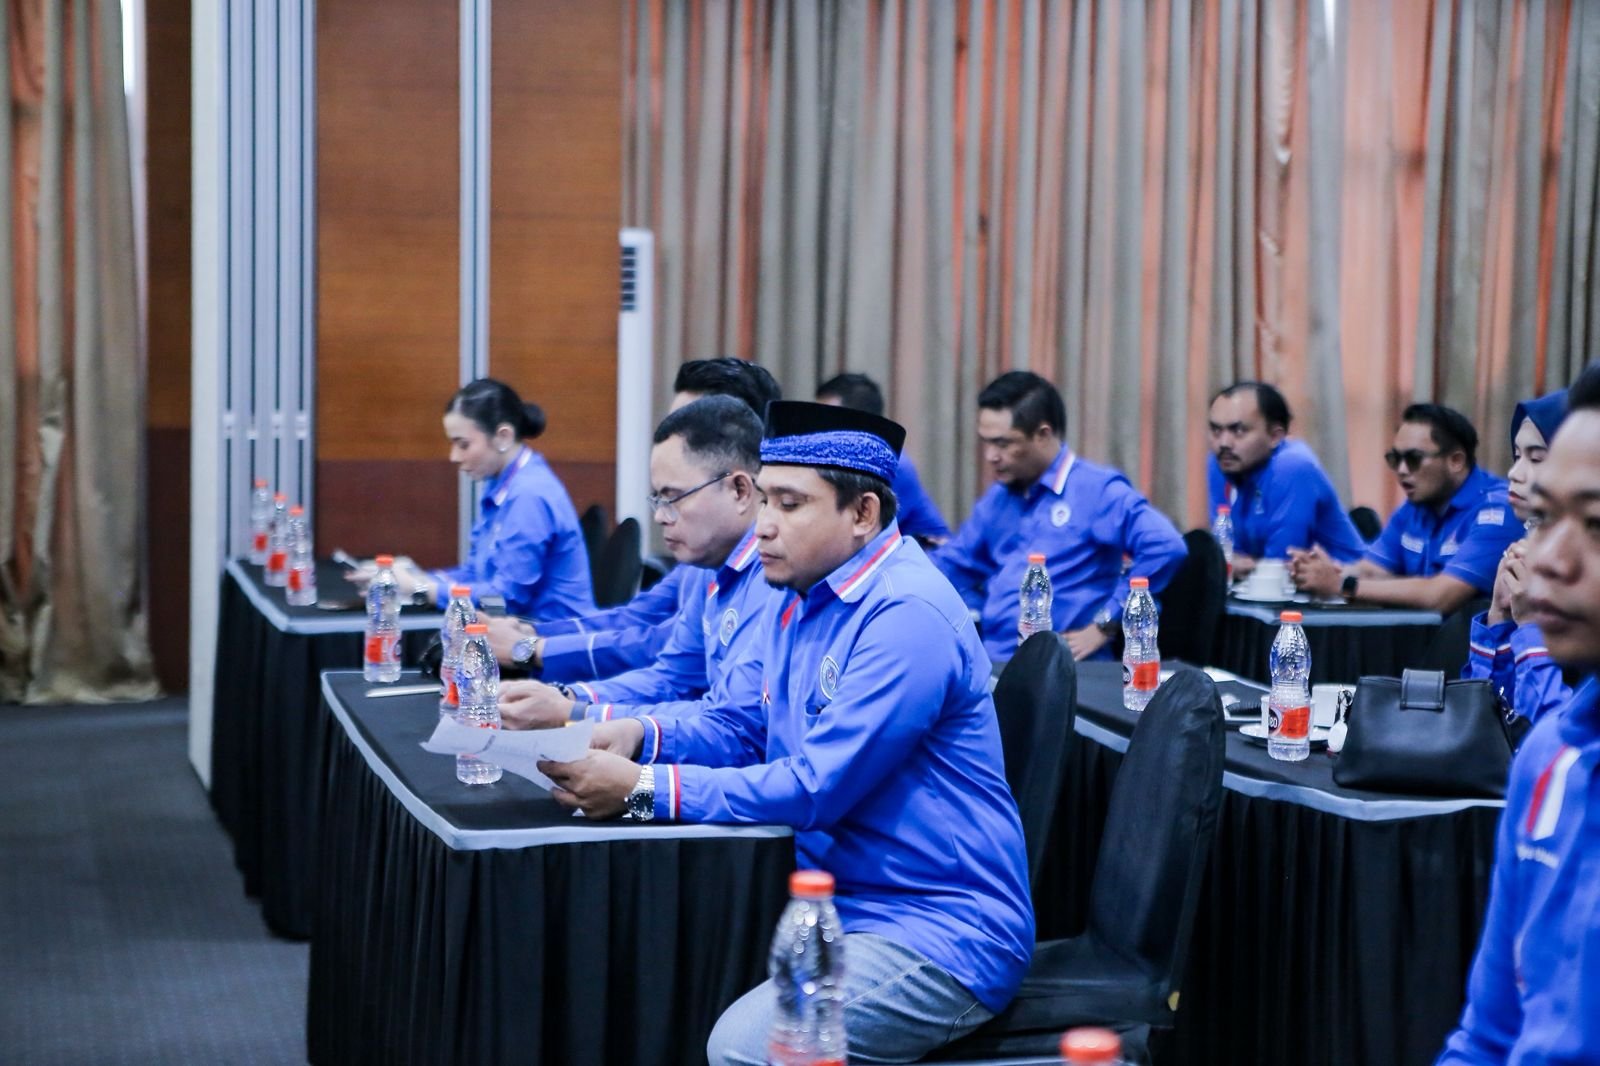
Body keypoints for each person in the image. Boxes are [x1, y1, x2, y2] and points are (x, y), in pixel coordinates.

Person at [539, 401, 1034, 1064]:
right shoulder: (801, 594)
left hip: (936, 929)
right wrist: (639, 735)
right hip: (827, 897)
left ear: (862, 514)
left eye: (791, 504)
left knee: (747, 1048)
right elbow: (745, 726)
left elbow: (815, 787)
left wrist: (645, 788)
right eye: (766, 499)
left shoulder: (905, 614)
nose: (764, 524)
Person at [1435, 363, 1600, 1064]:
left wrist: (1527, 631)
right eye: (1546, 518)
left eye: (1595, 524)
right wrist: (1503, 621)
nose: (1550, 559)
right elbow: (1487, 1038)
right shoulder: (1550, 759)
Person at [487, 356, 783, 679]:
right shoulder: (707, 558)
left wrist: (531, 649)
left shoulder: (773, 568)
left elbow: (655, 647)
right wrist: (533, 634)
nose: (673, 439)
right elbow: (637, 621)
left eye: (692, 425)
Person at [933, 371, 1187, 664]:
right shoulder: (999, 498)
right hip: (994, 658)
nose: (990, 456)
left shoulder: (1095, 490)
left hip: (1063, 668)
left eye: (1003, 443)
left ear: (1043, 434)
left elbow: (1166, 546)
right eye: (986, 443)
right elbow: (955, 563)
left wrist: (1106, 623)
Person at [353, 378, 594, 620]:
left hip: (551, 634)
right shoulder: (500, 484)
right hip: (521, 629)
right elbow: (475, 574)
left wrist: (420, 589)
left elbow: (504, 599)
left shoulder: (529, 495)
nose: (454, 456)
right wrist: (414, 578)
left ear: (503, 437)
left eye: (464, 445)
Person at [1292, 404, 1520, 613]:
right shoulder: (1414, 507)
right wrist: (1318, 572)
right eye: (1395, 458)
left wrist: (1342, 585)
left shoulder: (1498, 510)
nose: (1401, 470)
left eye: (1413, 459)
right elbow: (1372, 570)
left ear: (1456, 461)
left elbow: (1441, 596)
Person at [1463, 389, 1572, 724]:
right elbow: (1481, 721)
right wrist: (1499, 619)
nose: (1514, 473)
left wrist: (1530, 628)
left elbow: (1559, 736)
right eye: (1516, 456)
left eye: (1536, 459)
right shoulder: (1525, 557)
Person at [1206, 380, 1367, 574]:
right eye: (1216, 430)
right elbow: (1228, 550)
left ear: (1275, 437)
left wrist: (1236, 565)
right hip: (1265, 586)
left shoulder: (1293, 467)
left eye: (1238, 431)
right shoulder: (1222, 463)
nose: (1223, 443)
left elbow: (1280, 565)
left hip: (1345, 588)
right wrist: (1233, 563)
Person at [816, 371, 951, 545]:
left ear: (862, 422)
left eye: (828, 419)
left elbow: (857, 533)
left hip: (928, 553)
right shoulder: (837, 460)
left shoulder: (892, 465)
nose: (818, 428)